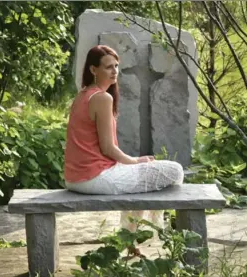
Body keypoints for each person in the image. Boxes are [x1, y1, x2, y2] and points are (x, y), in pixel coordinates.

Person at [64, 45, 184, 246]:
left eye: (116, 66)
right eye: (108, 67)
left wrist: (134, 164)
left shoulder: (82, 95)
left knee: (144, 179)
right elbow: (107, 149)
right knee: (175, 171)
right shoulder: (102, 98)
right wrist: (136, 161)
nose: (114, 72)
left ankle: (130, 238)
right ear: (93, 70)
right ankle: (157, 234)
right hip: (94, 177)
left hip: (75, 178)